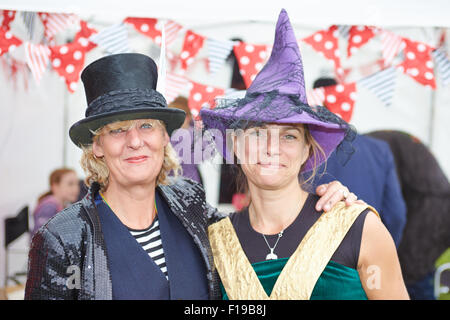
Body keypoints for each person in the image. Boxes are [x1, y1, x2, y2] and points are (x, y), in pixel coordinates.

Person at [25, 53, 351, 300]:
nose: (135, 141)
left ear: (166, 137)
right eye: (118, 130)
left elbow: (260, 229)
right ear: (97, 145)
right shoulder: (62, 236)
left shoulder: (190, 204)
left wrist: (326, 202)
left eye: (147, 126)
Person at [200, 9, 409, 300]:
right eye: (258, 133)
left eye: (289, 136)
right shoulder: (214, 242)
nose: (272, 147)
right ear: (236, 145)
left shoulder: (358, 229)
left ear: (306, 150)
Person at [303, 77, 407, 246]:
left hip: (314, 251)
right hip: (366, 249)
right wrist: (383, 250)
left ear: (314, 104)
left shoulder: (304, 148)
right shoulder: (379, 150)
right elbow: (396, 214)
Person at [367, 130, 450, 300]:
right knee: (413, 272)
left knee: (412, 272)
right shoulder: (381, 142)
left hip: (426, 207)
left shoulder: (372, 145)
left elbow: (394, 212)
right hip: (430, 205)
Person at [31, 168, 79, 237]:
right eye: (70, 184)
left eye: (77, 184)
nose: (76, 188)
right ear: (55, 186)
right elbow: (41, 238)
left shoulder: (65, 205)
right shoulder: (48, 208)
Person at [168, 96, 203, 184]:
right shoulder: (195, 133)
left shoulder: (189, 134)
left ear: (186, 117)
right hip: (189, 181)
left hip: (183, 182)